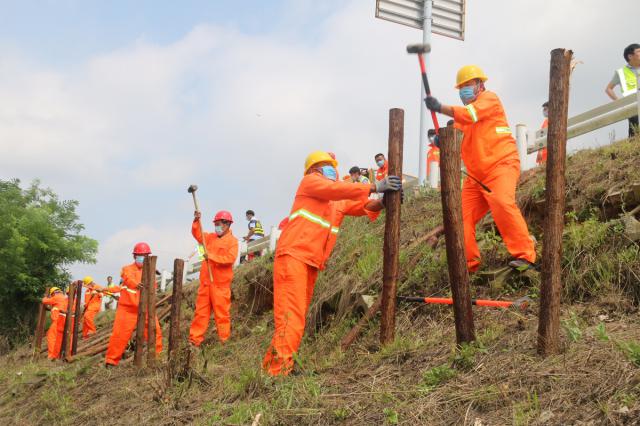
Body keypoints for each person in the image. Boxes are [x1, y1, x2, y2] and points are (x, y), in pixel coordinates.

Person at [262, 151, 401, 376]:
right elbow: (338, 189)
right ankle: (277, 373)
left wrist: (384, 202)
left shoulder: (336, 200)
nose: (332, 170)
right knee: (291, 319)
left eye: (332, 166)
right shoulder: (310, 183)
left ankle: (273, 368)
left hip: (309, 262)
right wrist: (376, 186)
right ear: (315, 169)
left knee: (294, 319)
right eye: (327, 165)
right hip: (294, 257)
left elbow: (363, 206)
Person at [425, 64, 536, 272]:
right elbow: (456, 139)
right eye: (461, 87)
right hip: (475, 177)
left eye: (468, 85)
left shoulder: (489, 100)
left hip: (501, 166)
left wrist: (440, 107)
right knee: (459, 217)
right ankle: (469, 264)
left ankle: (525, 256)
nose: (464, 90)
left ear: (480, 85)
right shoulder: (462, 119)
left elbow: (469, 115)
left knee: (502, 202)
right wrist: (442, 141)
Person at [104, 242, 162, 366]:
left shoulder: (152, 270)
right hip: (128, 309)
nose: (142, 257)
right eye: (140, 255)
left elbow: (153, 288)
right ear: (134, 256)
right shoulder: (127, 269)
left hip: (146, 308)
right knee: (119, 335)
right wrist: (136, 284)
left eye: (145, 255)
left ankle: (156, 359)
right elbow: (127, 278)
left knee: (155, 332)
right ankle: (111, 361)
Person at [189, 210, 239, 346]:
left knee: (222, 315)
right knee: (201, 314)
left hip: (220, 286)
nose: (217, 226)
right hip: (206, 284)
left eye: (219, 224)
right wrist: (196, 221)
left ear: (227, 224)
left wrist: (211, 256)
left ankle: (224, 342)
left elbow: (230, 259)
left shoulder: (233, 242)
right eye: (215, 224)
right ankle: (194, 342)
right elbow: (197, 234)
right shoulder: (209, 237)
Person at [605, 43, 640, 137]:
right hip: (632, 105)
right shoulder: (621, 72)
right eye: (639, 51)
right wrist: (619, 102)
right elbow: (608, 89)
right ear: (630, 56)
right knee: (634, 131)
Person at [41, 287, 67, 360]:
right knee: (58, 339)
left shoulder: (57, 297)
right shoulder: (63, 297)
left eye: (51, 295)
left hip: (58, 320)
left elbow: (44, 301)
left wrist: (45, 297)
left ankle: (52, 355)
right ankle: (56, 355)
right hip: (63, 320)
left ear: (53, 293)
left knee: (51, 336)